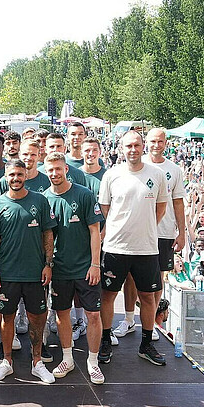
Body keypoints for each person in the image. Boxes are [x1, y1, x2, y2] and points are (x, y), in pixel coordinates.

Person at [98, 131, 169, 365]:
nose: (133, 149)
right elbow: (106, 209)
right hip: (115, 247)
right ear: (121, 148)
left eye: (137, 145)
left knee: (148, 297)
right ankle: (105, 340)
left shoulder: (157, 175)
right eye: (128, 145)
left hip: (146, 248)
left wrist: (144, 227)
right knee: (108, 295)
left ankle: (146, 343)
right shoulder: (112, 175)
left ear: (143, 146)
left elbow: (161, 208)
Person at [0, 160, 57, 383]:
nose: (15, 178)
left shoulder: (40, 201)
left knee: (37, 317)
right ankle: (7, 361)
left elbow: (48, 234)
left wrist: (48, 264)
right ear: (5, 177)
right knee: (7, 317)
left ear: (26, 175)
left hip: (35, 273)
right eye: (11, 175)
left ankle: (37, 362)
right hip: (7, 273)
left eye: (19, 174)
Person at [115, 128, 186, 341]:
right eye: (153, 141)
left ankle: (151, 323)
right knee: (130, 277)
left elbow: (178, 202)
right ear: (146, 143)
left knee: (158, 279)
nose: (156, 145)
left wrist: (181, 233)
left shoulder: (174, 170)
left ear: (166, 143)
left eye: (160, 141)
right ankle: (129, 319)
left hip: (164, 232)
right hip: (137, 231)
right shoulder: (135, 165)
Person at [43, 153, 104, 383]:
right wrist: (48, 265)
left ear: (66, 169)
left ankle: (93, 362)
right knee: (62, 314)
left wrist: (95, 264)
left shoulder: (84, 194)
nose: (54, 173)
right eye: (50, 170)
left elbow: (95, 231)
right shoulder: (44, 198)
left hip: (86, 268)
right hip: (60, 269)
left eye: (58, 169)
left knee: (93, 315)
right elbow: (46, 237)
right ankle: (67, 358)